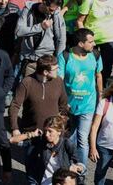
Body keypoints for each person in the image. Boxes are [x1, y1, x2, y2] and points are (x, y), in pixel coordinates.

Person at [9, 54, 69, 183]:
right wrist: (15, 128)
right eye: (55, 68)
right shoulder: (27, 82)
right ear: (46, 72)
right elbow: (15, 105)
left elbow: (64, 105)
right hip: (32, 135)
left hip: (53, 135)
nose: (58, 70)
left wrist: (61, 124)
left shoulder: (58, 81)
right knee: (32, 171)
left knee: (52, 170)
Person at [58, 28, 103, 169]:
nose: (94, 44)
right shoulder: (65, 56)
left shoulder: (95, 55)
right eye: (90, 42)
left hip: (88, 105)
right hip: (69, 106)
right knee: (70, 138)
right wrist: (62, 102)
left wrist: (101, 96)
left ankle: (81, 171)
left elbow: (99, 75)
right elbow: (60, 80)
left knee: (83, 139)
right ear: (80, 43)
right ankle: (70, 167)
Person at [9, 116, 85, 184]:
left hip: (60, 182)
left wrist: (78, 168)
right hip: (43, 181)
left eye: (50, 131)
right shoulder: (41, 141)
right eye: (45, 131)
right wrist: (31, 134)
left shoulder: (67, 144)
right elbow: (13, 140)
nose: (46, 134)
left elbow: (79, 164)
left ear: (59, 132)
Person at [15, 0, 66, 77]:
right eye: (50, 9)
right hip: (26, 58)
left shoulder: (56, 15)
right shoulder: (28, 9)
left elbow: (61, 39)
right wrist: (41, 27)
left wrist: (58, 61)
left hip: (46, 59)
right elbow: (18, 31)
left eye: (55, 10)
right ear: (44, 3)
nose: (52, 12)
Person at [77, 0, 113, 87]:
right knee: (91, 68)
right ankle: (89, 90)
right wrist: (85, 40)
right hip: (93, 41)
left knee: (107, 68)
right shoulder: (89, 0)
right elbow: (80, 21)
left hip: (109, 40)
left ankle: (103, 94)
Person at [89, 83, 113, 185]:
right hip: (104, 147)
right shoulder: (105, 103)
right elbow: (94, 127)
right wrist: (93, 148)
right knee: (100, 173)